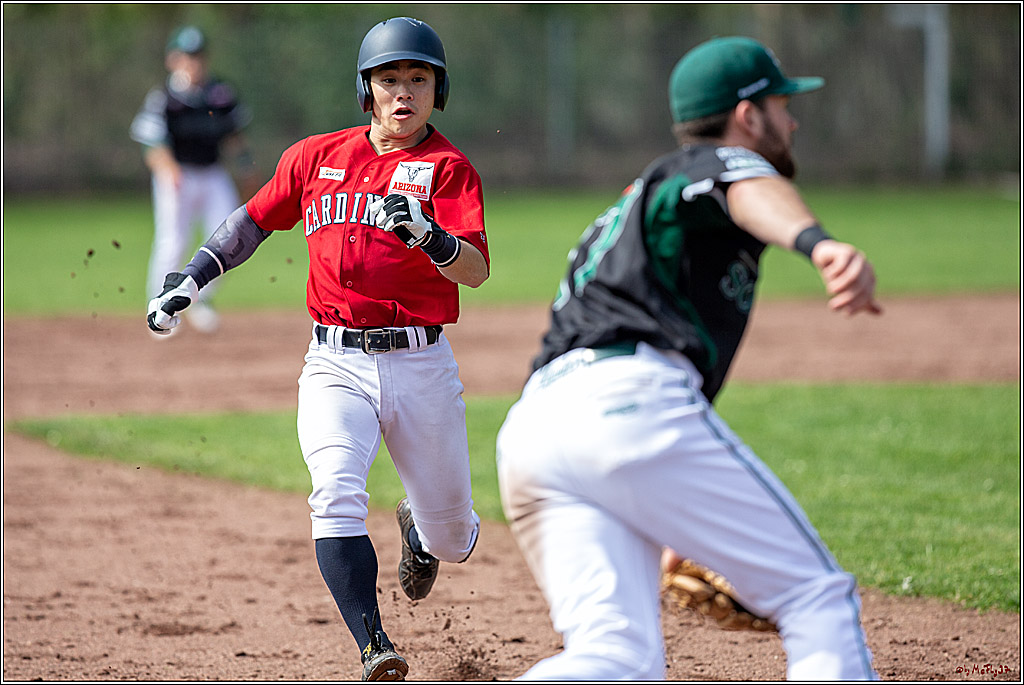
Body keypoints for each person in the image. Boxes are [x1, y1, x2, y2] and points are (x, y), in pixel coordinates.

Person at [496, 36, 881, 680]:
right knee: (816, 598)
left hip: (535, 431)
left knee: (614, 655)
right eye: (782, 104)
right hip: (626, 404)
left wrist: (668, 508)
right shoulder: (709, 166)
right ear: (747, 114)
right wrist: (818, 245)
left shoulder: (632, 207)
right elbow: (743, 179)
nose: (793, 120)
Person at [146, 17, 489, 681]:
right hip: (335, 362)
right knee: (334, 492)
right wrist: (194, 274)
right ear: (367, 89)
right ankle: (374, 645)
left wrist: (432, 238)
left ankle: (421, 525)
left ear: (436, 89)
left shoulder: (448, 169)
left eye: (418, 79)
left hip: (421, 362)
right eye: (389, 79)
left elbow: (475, 269)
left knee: (453, 538)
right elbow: (252, 221)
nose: (403, 92)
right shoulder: (316, 157)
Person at [131, 25, 259, 335]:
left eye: (198, 56)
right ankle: (160, 305)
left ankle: (200, 300)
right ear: (172, 60)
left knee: (228, 236)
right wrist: (168, 169)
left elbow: (234, 138)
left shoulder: (219, 93)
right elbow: (152, 143)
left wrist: (246, 169)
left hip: (212, 173)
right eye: (187, 56)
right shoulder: (165, 98)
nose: (194, 63)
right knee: (173, 241)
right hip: (177, 173)